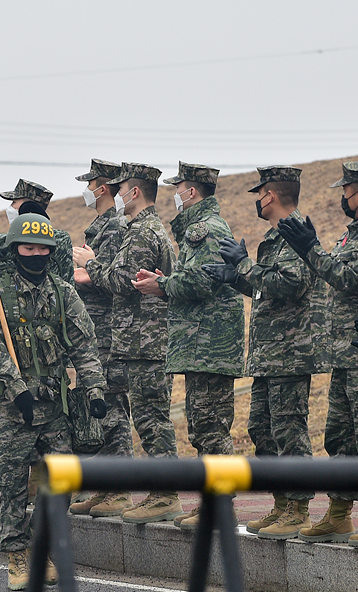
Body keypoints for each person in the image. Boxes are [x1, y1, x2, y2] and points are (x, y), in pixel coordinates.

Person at [277, 162, 358, 548]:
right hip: (346, 354)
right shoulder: (355, 233)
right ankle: (338, 515)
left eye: (345, 192)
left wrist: (309, 249)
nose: (341, 199)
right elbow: (335, 274)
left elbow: (350, 279)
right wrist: (314, 251)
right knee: (341, 438)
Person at [0, 213, 105, 590]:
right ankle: (18, 557)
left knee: (61, 482)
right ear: (15, 250)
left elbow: (84, 345)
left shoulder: (64, 293)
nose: (36, 254)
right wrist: (17, 390)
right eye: (28, 248)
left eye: (42, 249)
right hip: (10, 408)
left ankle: (40, 545)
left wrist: (94, 390)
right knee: (14, 486)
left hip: (54, 407)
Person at [202, 166, 318, 540]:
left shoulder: (296, 235)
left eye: (260, 193)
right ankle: (282, 503)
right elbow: (265, 290)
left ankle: (299, 509)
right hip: (270, 356)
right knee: (262, 429)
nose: (257, 199)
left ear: (270, 195)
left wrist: (244, 265)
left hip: (289, 354)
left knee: (290, 432)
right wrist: (236, 278)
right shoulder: (274, 237)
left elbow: (292, 284)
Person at [133, 161, 244, 530]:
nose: (175, 194)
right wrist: (168, 280)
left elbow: (202, 282)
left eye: (178, 187)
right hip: (202, 345)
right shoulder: (201, 229)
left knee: (211, 428)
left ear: (191, 192)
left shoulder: (204, 229)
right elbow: (196, 277)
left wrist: (162, 286)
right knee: (202, 426)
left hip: (209, 346)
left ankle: (220, 507)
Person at [76, 162, 180, 523]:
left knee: (152, 420)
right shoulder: (142, 228)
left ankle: (166, 494)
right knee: (149, 418)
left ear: (135, 192)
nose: (116, 194)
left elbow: (123, 281)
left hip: (147, 340)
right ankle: (159, 492)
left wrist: (92, 264)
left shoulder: (141, 232)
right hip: (139, 340)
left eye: (120, 189)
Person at [69, 158, 134, 516]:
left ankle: (120, 488)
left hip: (110, 329)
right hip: (95, 330)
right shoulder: (100, 226)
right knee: (103, 407)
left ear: (103, 187)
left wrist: (87, 269)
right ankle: (109, 486)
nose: (87, 190)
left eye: (90, 183)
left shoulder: (115, 227)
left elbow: (108, 277)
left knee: (113, 408)